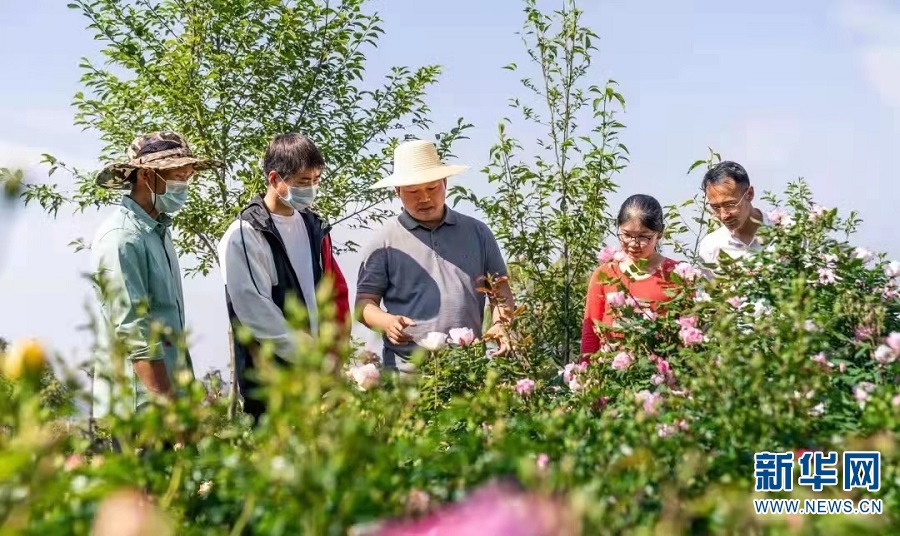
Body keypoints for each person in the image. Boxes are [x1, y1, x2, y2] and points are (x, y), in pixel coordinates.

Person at [90, 131, 222, 420]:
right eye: (177, 176)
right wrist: (170, 410)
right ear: (147, 177)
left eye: (188, 177)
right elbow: (134, 333)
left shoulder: (157, 231)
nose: (184, 185)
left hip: (166, 399)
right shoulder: (122, 238)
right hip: (139, 410)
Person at [218, 133, 349, 423]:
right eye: (304, 181)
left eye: (316, 180)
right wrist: (312, 357)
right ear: (275, 178)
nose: (312, 188)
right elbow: (257, 315)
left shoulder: (313, 227)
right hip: (272, 386)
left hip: (317, 381)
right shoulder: (244, 235)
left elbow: (331, 294)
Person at [355, 139, 515, 374]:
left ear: (445, 183)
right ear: (397, 191)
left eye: (432, 188)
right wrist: (387, 323)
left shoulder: (478, 233)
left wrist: (502, 325)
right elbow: (363, 305)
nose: (424, 198)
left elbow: (500, 293)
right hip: (407, 373)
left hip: (469, 367)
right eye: (413, 191)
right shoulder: (384, 242)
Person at [580, 194, 679, 356]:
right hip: (611, 372)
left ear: (659, 233)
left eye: (643, 236)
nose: (634, 243)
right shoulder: (605, 274)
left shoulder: (676, 274)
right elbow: (590, 333)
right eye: (626, 235)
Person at [697, 161, 771, 274]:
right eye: (715, 207)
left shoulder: (787, 230)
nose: (723, 215)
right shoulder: (711, 246)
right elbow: (707, 290)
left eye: (730, 205)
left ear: (749, 194)